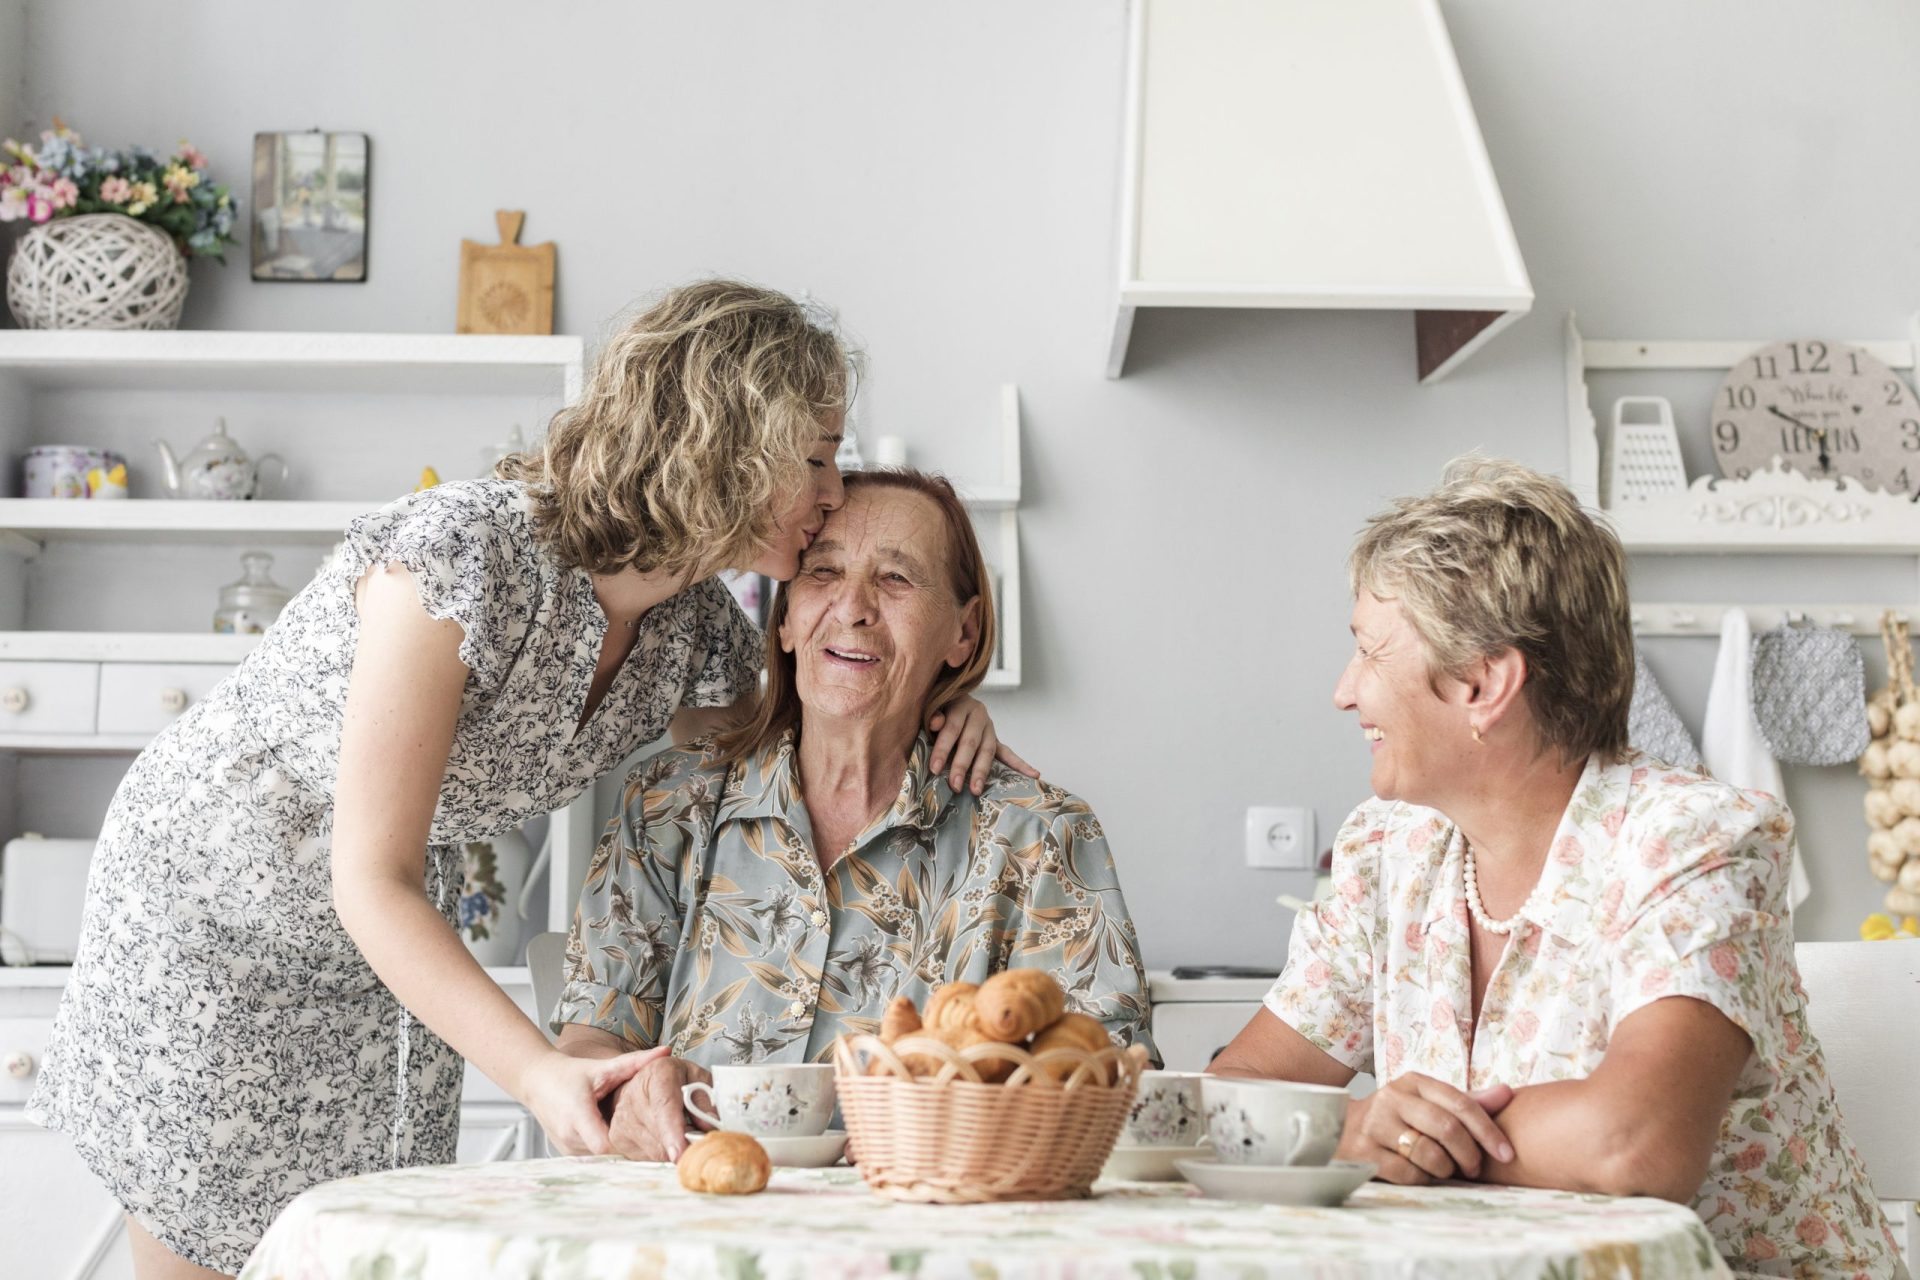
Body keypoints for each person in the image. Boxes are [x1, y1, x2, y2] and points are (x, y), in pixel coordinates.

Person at [28, 282, 1019, 1279]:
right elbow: (369, 874)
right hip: (215, 907)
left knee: (355, 1245)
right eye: (817, 457)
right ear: (728, 441)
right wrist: (542, 1071)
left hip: (388, 945)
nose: (834, 490)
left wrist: (945, 707)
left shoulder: (695, 628)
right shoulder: (463, 557)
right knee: (205, 1241)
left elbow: (798, 751)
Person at [1211, 458, 1906, 1279]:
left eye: (1369, 652)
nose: (1345, 690)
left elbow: (1635, 1144)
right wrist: (1352, 1131)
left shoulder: (1695, 841)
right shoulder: (1389, 850)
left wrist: (1408, 1139)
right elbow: (1230, 1092)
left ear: (1483, 684)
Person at [551, 468, 1157, 1159]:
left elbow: (1104, 1081)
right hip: (693, 1203)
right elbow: (592, 1042)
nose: (853, 607)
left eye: (896, 579)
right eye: (823, 571)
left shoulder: (1040, 835)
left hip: (927, 1212)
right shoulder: (667, 806)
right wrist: (632, 1094)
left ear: (962, 633)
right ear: (785, 619)